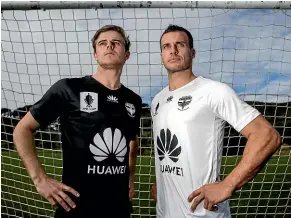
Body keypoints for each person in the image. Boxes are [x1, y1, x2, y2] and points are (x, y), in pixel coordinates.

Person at [150, 24, 281, 218]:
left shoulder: (213, 91)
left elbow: (267, 136)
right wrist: (161, 183)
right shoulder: (157, 100)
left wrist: (228, 184)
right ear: (162, 55)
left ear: (192, 52)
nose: (173, 50)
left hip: (203, 214)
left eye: (180, 44)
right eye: (166, 46)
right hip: (164, 213)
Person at [13, 25, 142, 218]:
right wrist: (40, 180)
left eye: (116, 43)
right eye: (102, 43)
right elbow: (22, 129)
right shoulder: (69, 88)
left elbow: (132, 142)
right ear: (95, 54)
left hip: (119, 207)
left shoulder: (133, 100)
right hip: (75, 207)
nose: (109, 46)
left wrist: (130, 177)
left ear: (126, 55)